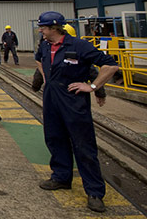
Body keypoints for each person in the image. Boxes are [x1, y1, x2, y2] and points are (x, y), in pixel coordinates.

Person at [34, 11, 118, 213]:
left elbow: (110, 65)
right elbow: (39, 59)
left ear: (54, 28)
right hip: (52, 97)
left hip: (72, 100)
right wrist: (47, 78)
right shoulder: (45, 45)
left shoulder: (79, 46)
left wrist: (93, 87)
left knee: (83, 144)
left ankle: (95, 192)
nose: (41, 30)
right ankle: (61, 177)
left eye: (43, 27)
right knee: (54, 137)